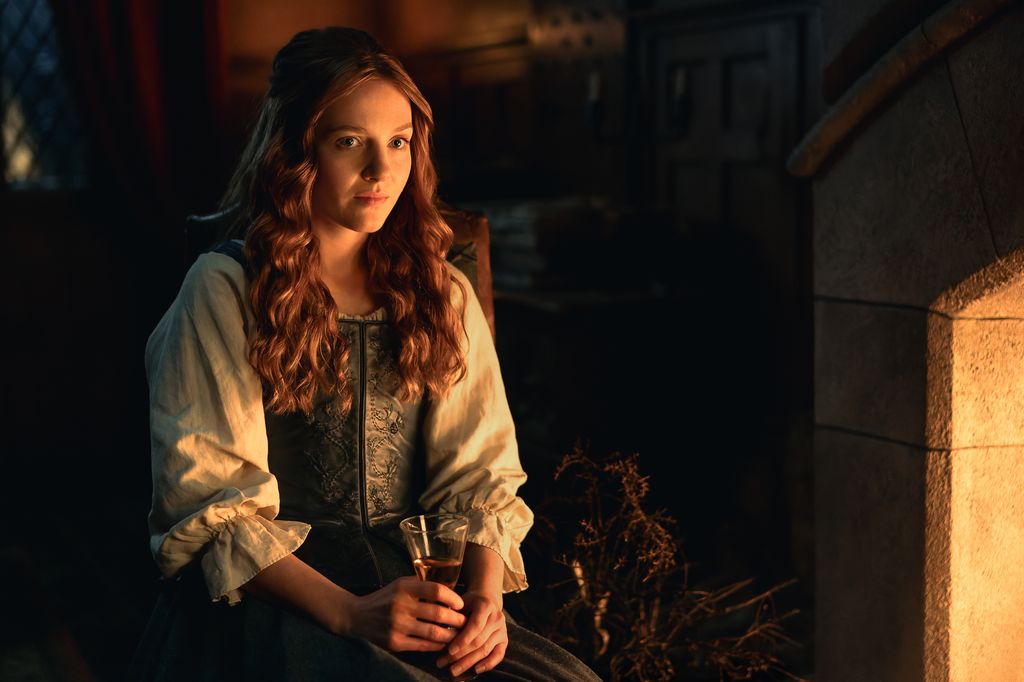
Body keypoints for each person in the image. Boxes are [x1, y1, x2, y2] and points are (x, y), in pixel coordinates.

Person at [126, 26, 600, 682]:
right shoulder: (225, 289)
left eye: (398, 142)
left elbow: (480, 476)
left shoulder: (444, 292)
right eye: (351, 141)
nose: (382, 172)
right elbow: (210, 503)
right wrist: (349, 615)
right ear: (299, 149)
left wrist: (486, 602)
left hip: (419, 590)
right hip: (279, 596)